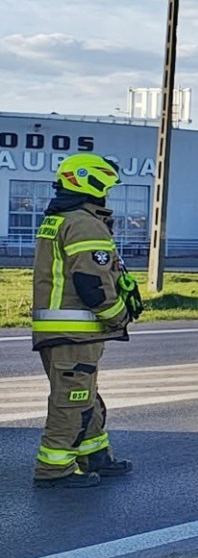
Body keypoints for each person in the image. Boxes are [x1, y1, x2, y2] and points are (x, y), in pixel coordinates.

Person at [31, 154, 140, 488]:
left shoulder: (62, 219)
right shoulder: (83, 222)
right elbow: (91, 283)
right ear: (92, 183)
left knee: (85, 397)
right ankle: (54, 472)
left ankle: (95, 456)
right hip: (73, 334)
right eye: (106, 186)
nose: (108, 194)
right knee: (71, 402)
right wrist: (119, 315)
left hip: (68, 334)